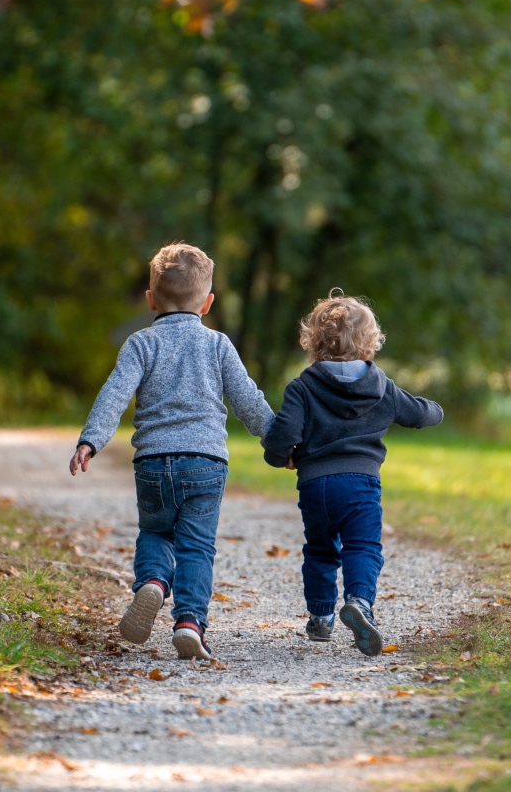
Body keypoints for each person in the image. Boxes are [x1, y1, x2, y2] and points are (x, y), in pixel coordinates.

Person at [69, 243, 273, 659]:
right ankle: (190, 623)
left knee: (155, 531)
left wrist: (90, 440)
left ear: (150, 299)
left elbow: (114, 395)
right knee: (196, 546)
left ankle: (154, 582)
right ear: (208, 302)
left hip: (152, 463)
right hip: (206, 464)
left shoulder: (140, 344)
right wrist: (279, 441)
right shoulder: (218, 345)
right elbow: (247, 400)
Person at [263, 291, 443, 657]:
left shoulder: (302, 386)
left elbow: (284, 434)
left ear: (313, 344)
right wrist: (437, 410)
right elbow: (420, 414)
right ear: (368, 346)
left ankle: (320, 617)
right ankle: (360, 602)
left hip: (315, 486)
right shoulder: (381, 387)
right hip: (361, 485)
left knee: (319, 549)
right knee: (363, 546)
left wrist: (280, 457)